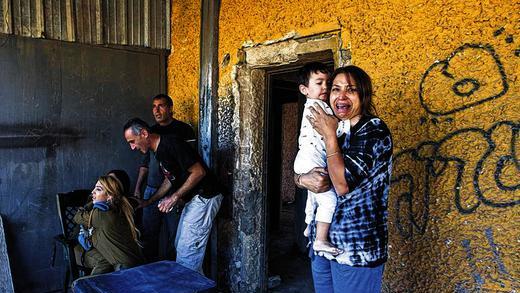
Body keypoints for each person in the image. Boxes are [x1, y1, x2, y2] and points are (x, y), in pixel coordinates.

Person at [295, 66, 393, 293]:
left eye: (351, 90)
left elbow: (341, 184)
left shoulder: (373, 130)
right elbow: (312, 172)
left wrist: (329, 135)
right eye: (335, 89)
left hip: (356, 248)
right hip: (323, 244)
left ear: (363, 95)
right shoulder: (337, 128)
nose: (340, 96)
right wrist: (300, 179)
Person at [123, 118, 223, 274]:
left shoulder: (172, 144)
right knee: (181, 247)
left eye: (132, 141)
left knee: (187, 253)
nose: (132, 147)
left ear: (143, 133)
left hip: (205, 197)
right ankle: (197, 285)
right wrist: (148, 201)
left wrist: (174, 197)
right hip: (195, 199)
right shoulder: (159, 152)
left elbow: (199, 172)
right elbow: (169, 179)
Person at [134, 94, 196, 262]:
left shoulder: (184, 130)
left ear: (170, 108)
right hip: (152, 188)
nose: (156, 110)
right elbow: (145, 163)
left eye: (161, 106)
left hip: (174, 190)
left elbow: (191, 164)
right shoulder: (150, 132)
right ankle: (149, 270)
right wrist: (138, 187)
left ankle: (170, 272)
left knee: (174, 235)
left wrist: (180, 195)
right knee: (148, 233)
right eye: (154, 106)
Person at [293, 62, 347, 256]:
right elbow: (334, 129)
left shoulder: (311, 105)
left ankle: (309, 226)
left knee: (313, 197)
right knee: (329, 200)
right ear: (304, 89)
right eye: (319, 83)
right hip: (312, 159)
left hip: (304, 160)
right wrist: (348, 124)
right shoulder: (319, 107)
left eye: (327, 82)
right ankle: (321, 240)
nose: (325, 87)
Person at [73, 176, 144, 275]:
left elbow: (77, 217)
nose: (92, 192)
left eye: (98, 189)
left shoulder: (100, 214)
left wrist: (89, 204)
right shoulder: (120, 208)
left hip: (124, 269)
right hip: (137, 264)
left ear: (110, 196)